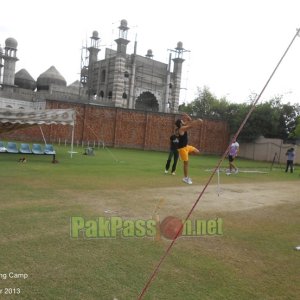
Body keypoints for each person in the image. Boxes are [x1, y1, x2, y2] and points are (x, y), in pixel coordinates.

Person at [175, 113, 203, 184]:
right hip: (182, 149)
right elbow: (190, 126)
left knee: (197, 152)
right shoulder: (181, 128)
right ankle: (185, 178)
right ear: (180, 124)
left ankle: (185, 156)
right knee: (186, 163)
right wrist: (197, 121)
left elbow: (189, 121)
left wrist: (188, 116)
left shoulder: (183, 126)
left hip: (186, 147)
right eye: (182, 121)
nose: (183, 121)